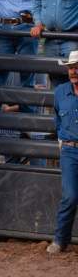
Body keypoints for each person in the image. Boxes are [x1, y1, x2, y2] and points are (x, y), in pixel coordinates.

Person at [47, 50, 78, 254]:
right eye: (70, 68)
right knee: (70, 196)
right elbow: (57, 120)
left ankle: (60, 240)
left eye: (76, 67)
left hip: (69, 148)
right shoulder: (60, 92)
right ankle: (60, 239)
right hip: (69, 150)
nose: (73, 71)